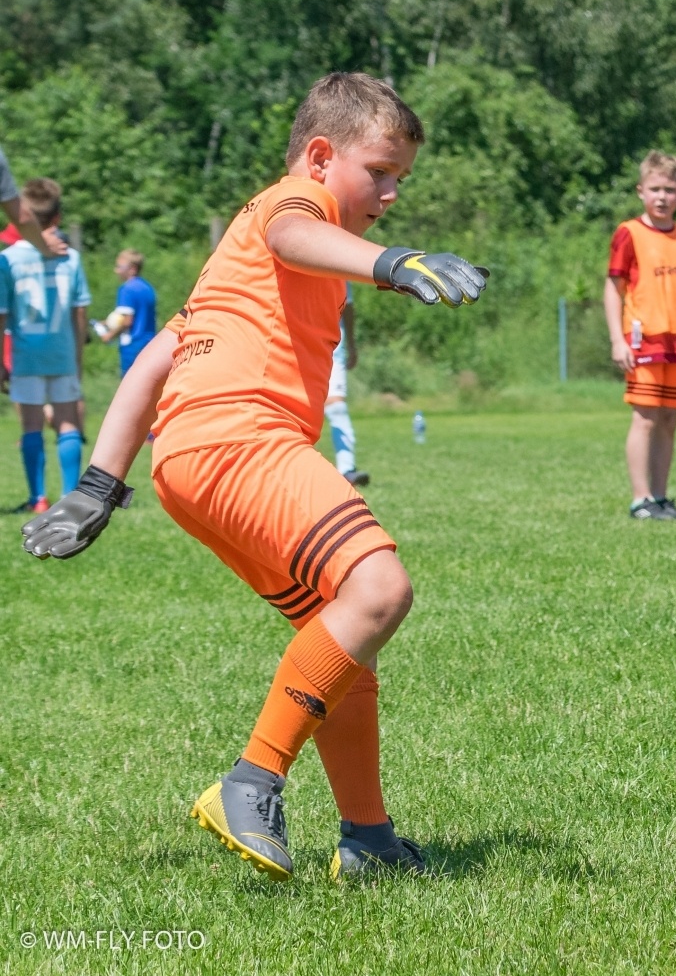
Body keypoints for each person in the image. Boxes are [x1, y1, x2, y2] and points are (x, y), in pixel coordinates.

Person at [21, 71, 489, 882]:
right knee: (379, 590)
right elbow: (295, 236)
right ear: (318, 156)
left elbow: (153, 364)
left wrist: (97, 486)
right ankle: (253, 778)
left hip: (191, 461)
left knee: (346, 642)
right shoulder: (286, 209)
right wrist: (393, 262)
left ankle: (369, 839)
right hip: (242, 441)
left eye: (400, 179)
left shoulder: (232, 262)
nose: (391, 192)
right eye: (379, 171)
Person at [604, 151, 676, 521]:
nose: (662, 197)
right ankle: (640, 499)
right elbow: (613, 286)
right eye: (655, 189)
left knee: (669, 420)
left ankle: (659, 496)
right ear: (641, 191)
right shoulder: (629, 232)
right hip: (644, 338)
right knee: (645, 418)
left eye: (670, 190)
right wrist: (617, 339)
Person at [0, 179, 90, 513]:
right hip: (62, 351)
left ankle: (38, 497)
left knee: (31, 426)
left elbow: (1, 314)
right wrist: (77, 354)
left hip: (26, 354)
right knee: (67, 421)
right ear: (58, 216)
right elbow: (80, 312)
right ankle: (70, 497)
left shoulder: (7, 259)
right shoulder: (71, 258)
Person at [324, 286, 369, 486]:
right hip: (293, 341)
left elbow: (348, 305)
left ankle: (347, 469)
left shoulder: (337, 263)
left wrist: (351, 343)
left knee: (337, 407)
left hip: (333, 343)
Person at [95, 249, 159, 375]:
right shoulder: (148, 288)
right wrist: (106, 323)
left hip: (132, 345)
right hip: (150, 342)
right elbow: (141, 316)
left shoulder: (126, 289)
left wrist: (109, 336)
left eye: (120, 267)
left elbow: (127, 321)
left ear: (132, 269)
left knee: (130, 385)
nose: (116, 270)